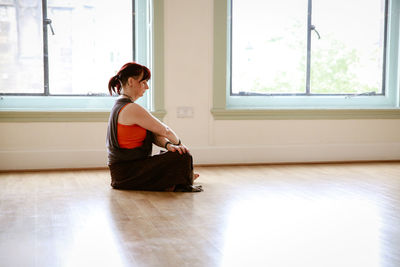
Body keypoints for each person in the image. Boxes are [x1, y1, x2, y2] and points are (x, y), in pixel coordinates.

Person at [106, 62, 202, 192]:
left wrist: (169, 146)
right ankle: (183, 178)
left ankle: (181, 177)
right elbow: (165, 131)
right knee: (183, 156)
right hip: (128, 174)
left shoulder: (121, 105)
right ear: (130, 81)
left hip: (124, 173)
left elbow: (154, 134)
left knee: (174, 153)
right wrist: (181, 145)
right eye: (144, 82)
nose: (147, 87)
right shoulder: (130, 108)